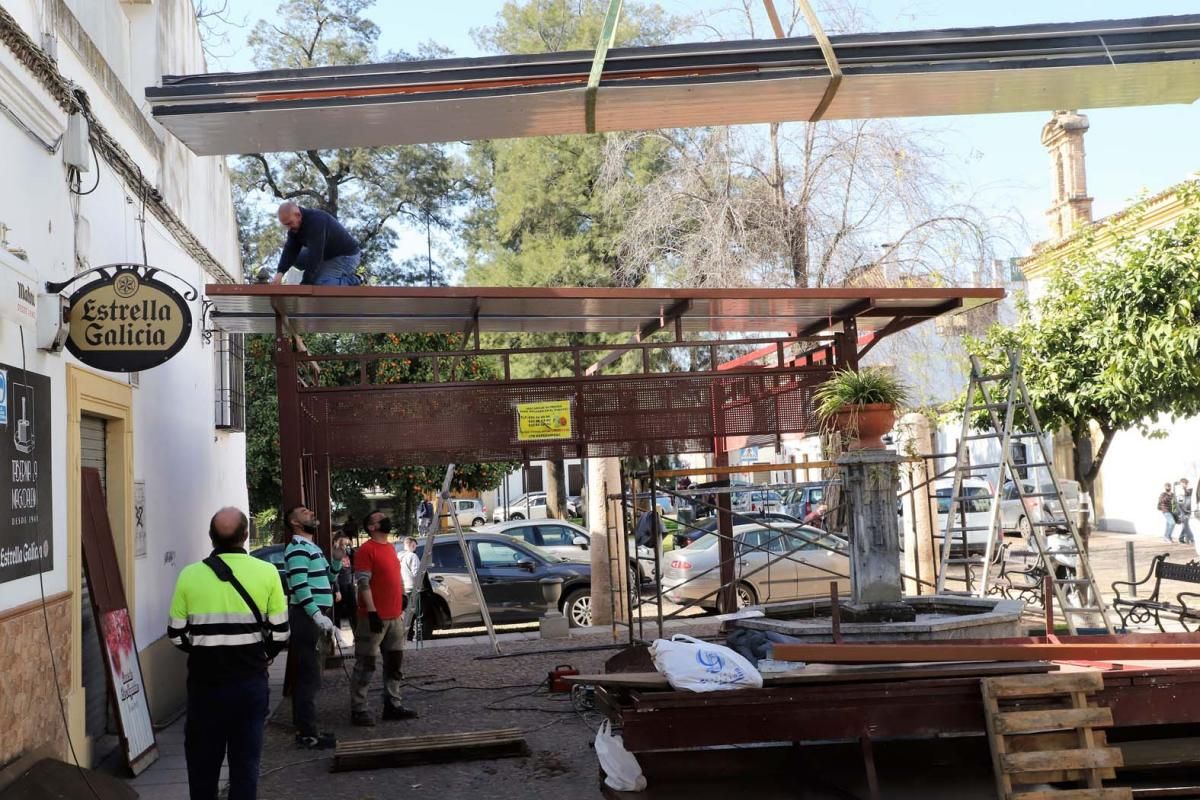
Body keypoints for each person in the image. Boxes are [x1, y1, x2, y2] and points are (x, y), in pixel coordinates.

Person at [168, 508, 289, 800]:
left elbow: (176, 635)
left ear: (211, 538)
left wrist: (204, 649)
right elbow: (281, 632)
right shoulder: (267, 572)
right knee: (246, 762)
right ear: (246, 536)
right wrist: (265, 655)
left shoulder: (189, 575)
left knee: (202, 764)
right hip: (249, 684)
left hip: (205, 685)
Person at [350, 512, 418, 726]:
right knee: (366, 664)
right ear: (371, 527)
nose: (387, 519)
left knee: (394, 663)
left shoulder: (390, 548)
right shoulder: (366, 550)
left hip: (394, 616)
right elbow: (363, 583)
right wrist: (371, 612)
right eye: (381, 518)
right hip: (373, 619)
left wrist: (402, 595)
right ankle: (359, 709)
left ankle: (393, 704)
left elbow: (395, 575)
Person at [282, 506, 339, 749]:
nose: (311, 513)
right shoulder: (297, 548)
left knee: (311, 674)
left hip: (312, 617)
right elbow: (300, 586)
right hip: (306, 619)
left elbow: (330, 578)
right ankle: (307, 733)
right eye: (304, 512)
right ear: (294, 523)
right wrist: (317, 615)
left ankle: (306, 728)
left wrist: (336, 559)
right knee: (308, 676)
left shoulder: (312, 548)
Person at [271, 202, 362, 286]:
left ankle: (357, 279)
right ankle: (322, 272)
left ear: (298, 215)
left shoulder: (316, 221)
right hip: (324, 253)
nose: (288, 228)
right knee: (295, 259)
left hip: (345, 256)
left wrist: (306, 283)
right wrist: (280, 273)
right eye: (285, 225)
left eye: (289, 223)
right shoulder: (294, 228)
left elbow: (315, 255)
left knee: (320, 283)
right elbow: (290, 250)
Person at [1177, 478, 1195, 545]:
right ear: (1181, 483)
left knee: (1185, 526)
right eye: (1184, 483)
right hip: (1183, 511)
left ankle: (1182, 538)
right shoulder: (1179, 491)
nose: (1186, 484)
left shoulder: (1188, 490)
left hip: (1188, 510)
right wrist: (1181, 513)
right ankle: (1191, 539)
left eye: (1186, 483)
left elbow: (1189, 494)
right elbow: (1179, 503)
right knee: (1186, 525)